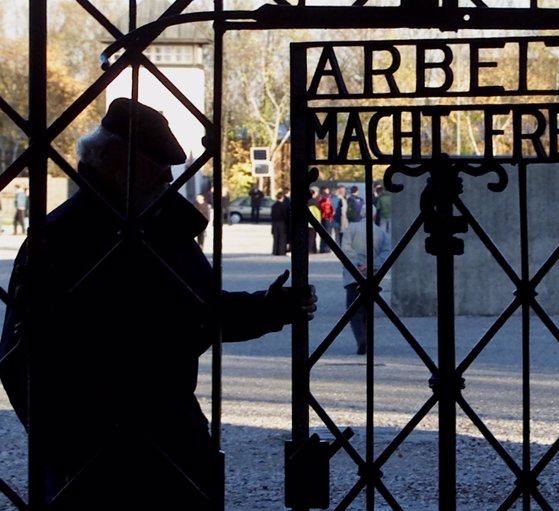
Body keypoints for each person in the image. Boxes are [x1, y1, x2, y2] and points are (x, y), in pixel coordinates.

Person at [0, 98, 317, 510]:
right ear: (115, 159)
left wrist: (268, 308)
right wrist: (67, 442)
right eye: (156, 165)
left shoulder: (156, 226)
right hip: (92, 454)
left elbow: (200, 309)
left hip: (166, 441)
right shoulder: (61, 238)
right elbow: (20, 356)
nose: (168, 178)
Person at [341, 205, 391, 355]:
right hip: (372, 277)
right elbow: (386, 252)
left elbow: (345, 248)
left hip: (353, 276)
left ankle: (361, 339)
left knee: (354, 312)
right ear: (375, 216)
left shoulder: (351, 228)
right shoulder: (381, 233)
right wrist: (371, 265)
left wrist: (357, 264)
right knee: (367, 312)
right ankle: (368, 339)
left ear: (360, 214)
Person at [270, 190, 289, 255]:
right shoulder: (283, 206)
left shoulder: (273, 206)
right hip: (282, 223)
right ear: (282, 198)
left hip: (275, 223)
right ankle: (281, 251)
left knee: (276, 237)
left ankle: (275, 251)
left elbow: (272, 215)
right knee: (282, 238)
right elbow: (285, 215)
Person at [318, 185, 335, 253]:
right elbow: (327, 209)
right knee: (327, 233)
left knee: (323, 233)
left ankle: (323, 248)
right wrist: (331, 214)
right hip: (326, 218)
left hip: (323, 217)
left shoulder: (320, 198)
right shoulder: (326, 199)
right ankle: (326, 248)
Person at [307, 186, 321, 254]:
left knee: (308, 237)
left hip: (306, 222)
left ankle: (312, 249)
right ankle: (310, 250)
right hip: (313, 222)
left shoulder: (306, 201)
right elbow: (317, 213)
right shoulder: (315, 202)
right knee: (312, 237)